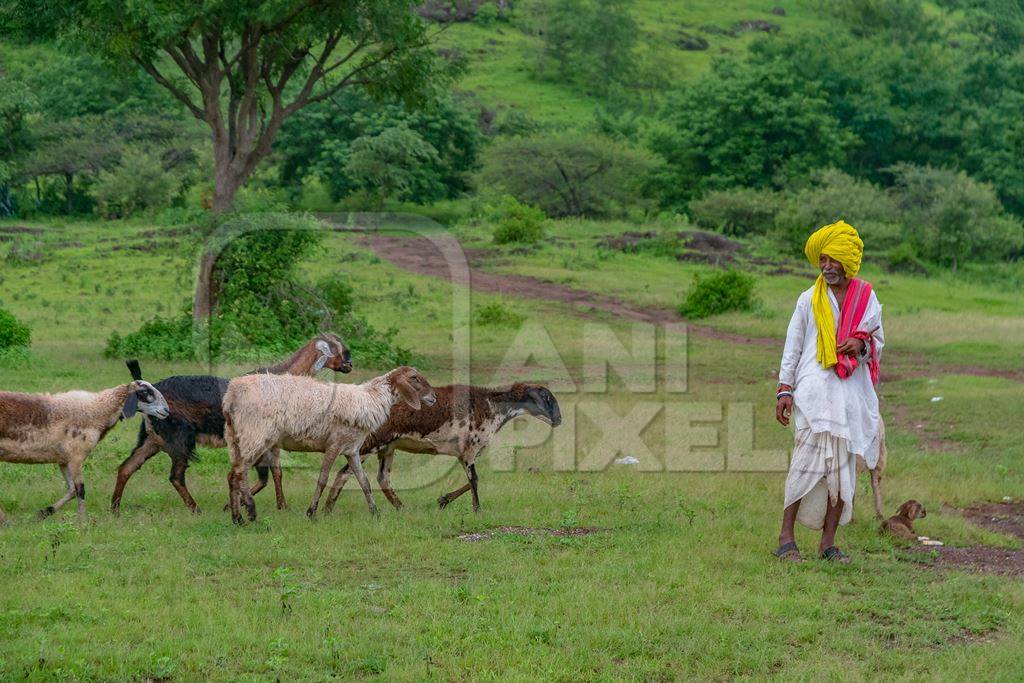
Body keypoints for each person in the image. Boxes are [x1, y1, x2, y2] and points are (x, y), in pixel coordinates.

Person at [773, 220, 884, 563]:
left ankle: (828, 545)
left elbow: (877, 342)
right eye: (822, 261)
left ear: (847, 263)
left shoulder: (866, 298)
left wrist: (860, 345)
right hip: (813, 394)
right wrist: (784, 389)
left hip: (849, 396)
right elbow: (793, 345)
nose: (826, 267)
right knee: (804, 466)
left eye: (833, 261)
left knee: (842, 471)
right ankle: (785, 539)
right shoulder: (809, 299)